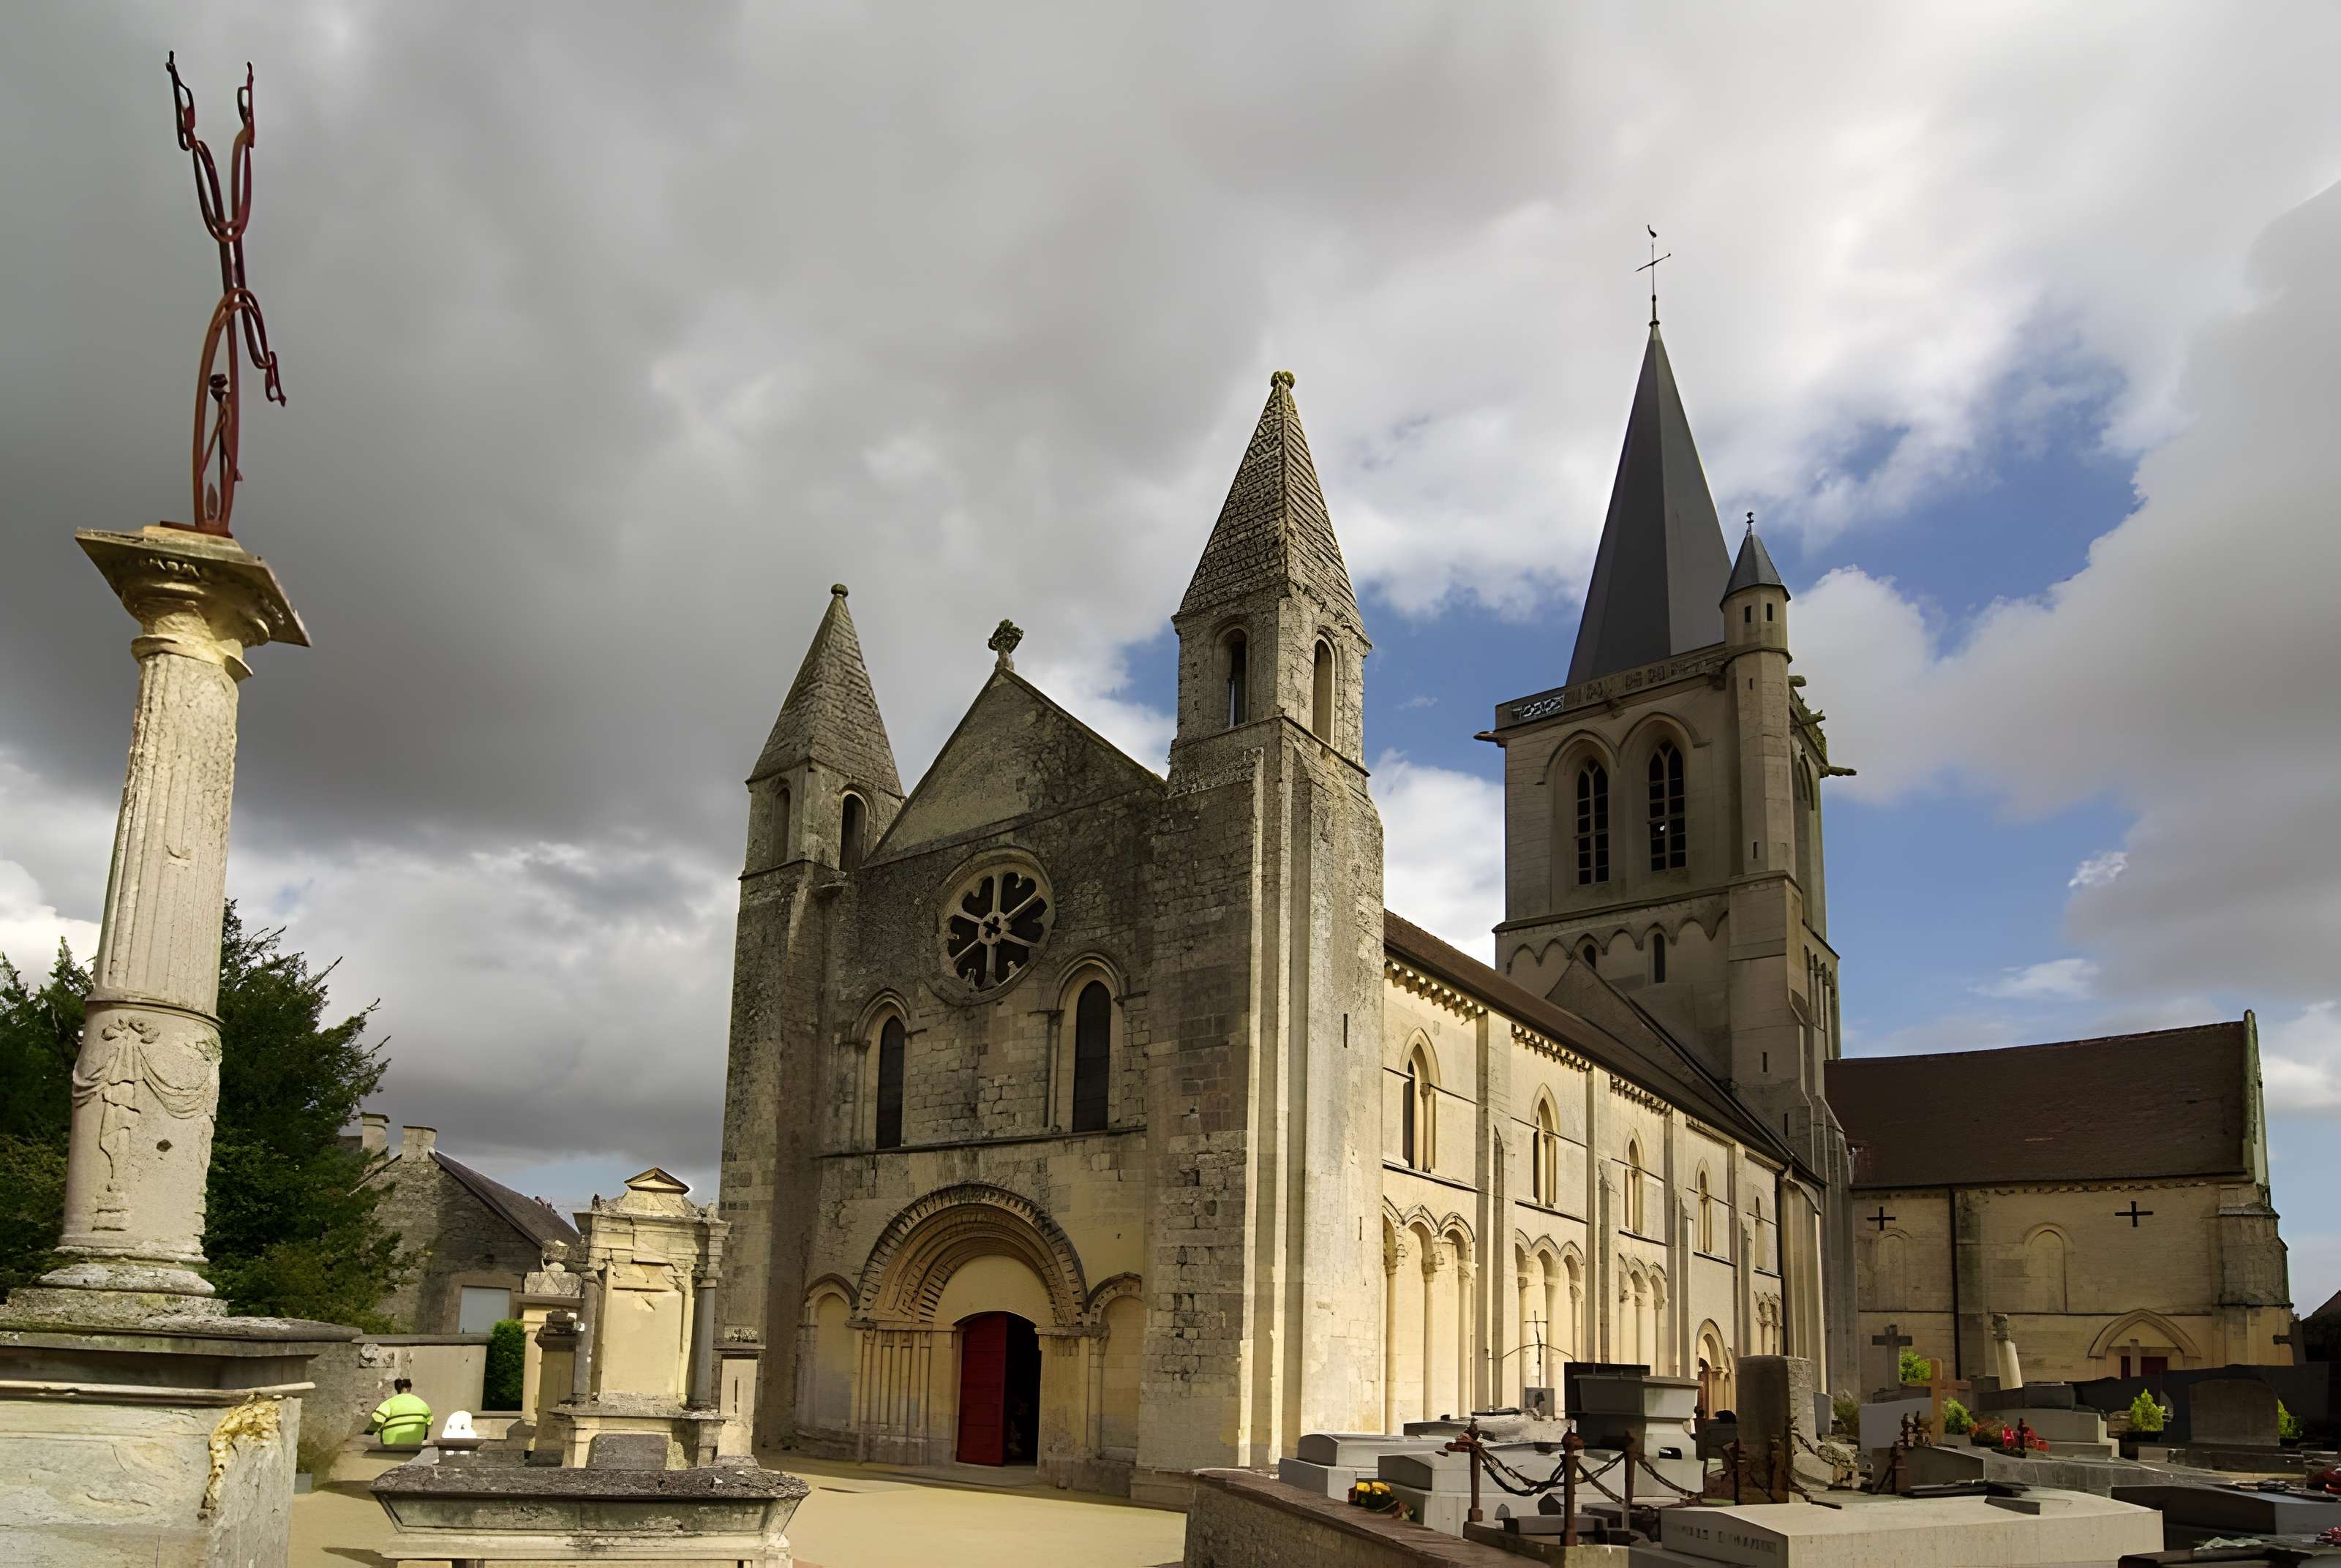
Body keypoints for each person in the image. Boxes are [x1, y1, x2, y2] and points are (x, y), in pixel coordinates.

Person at [367, 1377, 432, 1447]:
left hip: (392, 1445)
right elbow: (429, 1422)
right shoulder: (422, 1403)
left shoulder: (389, 1403)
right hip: (417, 1444)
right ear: (410, 1388)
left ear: (396, 1388)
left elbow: (377, 1420)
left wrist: (368, 1432)